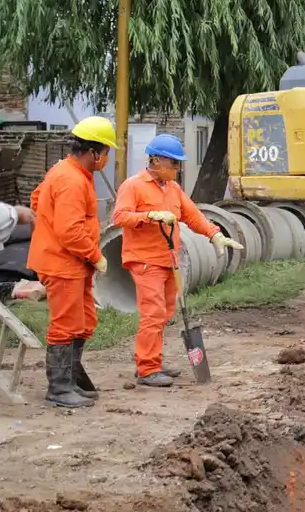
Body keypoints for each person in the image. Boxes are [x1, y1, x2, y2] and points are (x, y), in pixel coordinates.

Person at [112, 133, 242, 387]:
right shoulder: (134, 185)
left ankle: (152, 360)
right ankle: (147, 368)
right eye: (174, 163)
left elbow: (193, 216)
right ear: (157, 161)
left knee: (165, 311)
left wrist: (215, 235)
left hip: (169, 259)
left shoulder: (173, 189)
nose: (177, 168)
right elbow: (120, 217)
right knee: (153, 312)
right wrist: (150, 215)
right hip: (144, 259)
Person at [27, 116, 116, 409]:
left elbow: (37, 198)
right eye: (105, 152)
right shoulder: (70, 179)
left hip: (72, 263)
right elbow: (70, 231)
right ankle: (58, 388)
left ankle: (73, 379)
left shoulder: (70, 173)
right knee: (66, 324)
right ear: (93, 151)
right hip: (62, 263)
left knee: (85, 320)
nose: (106, 158)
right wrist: (96, 255)